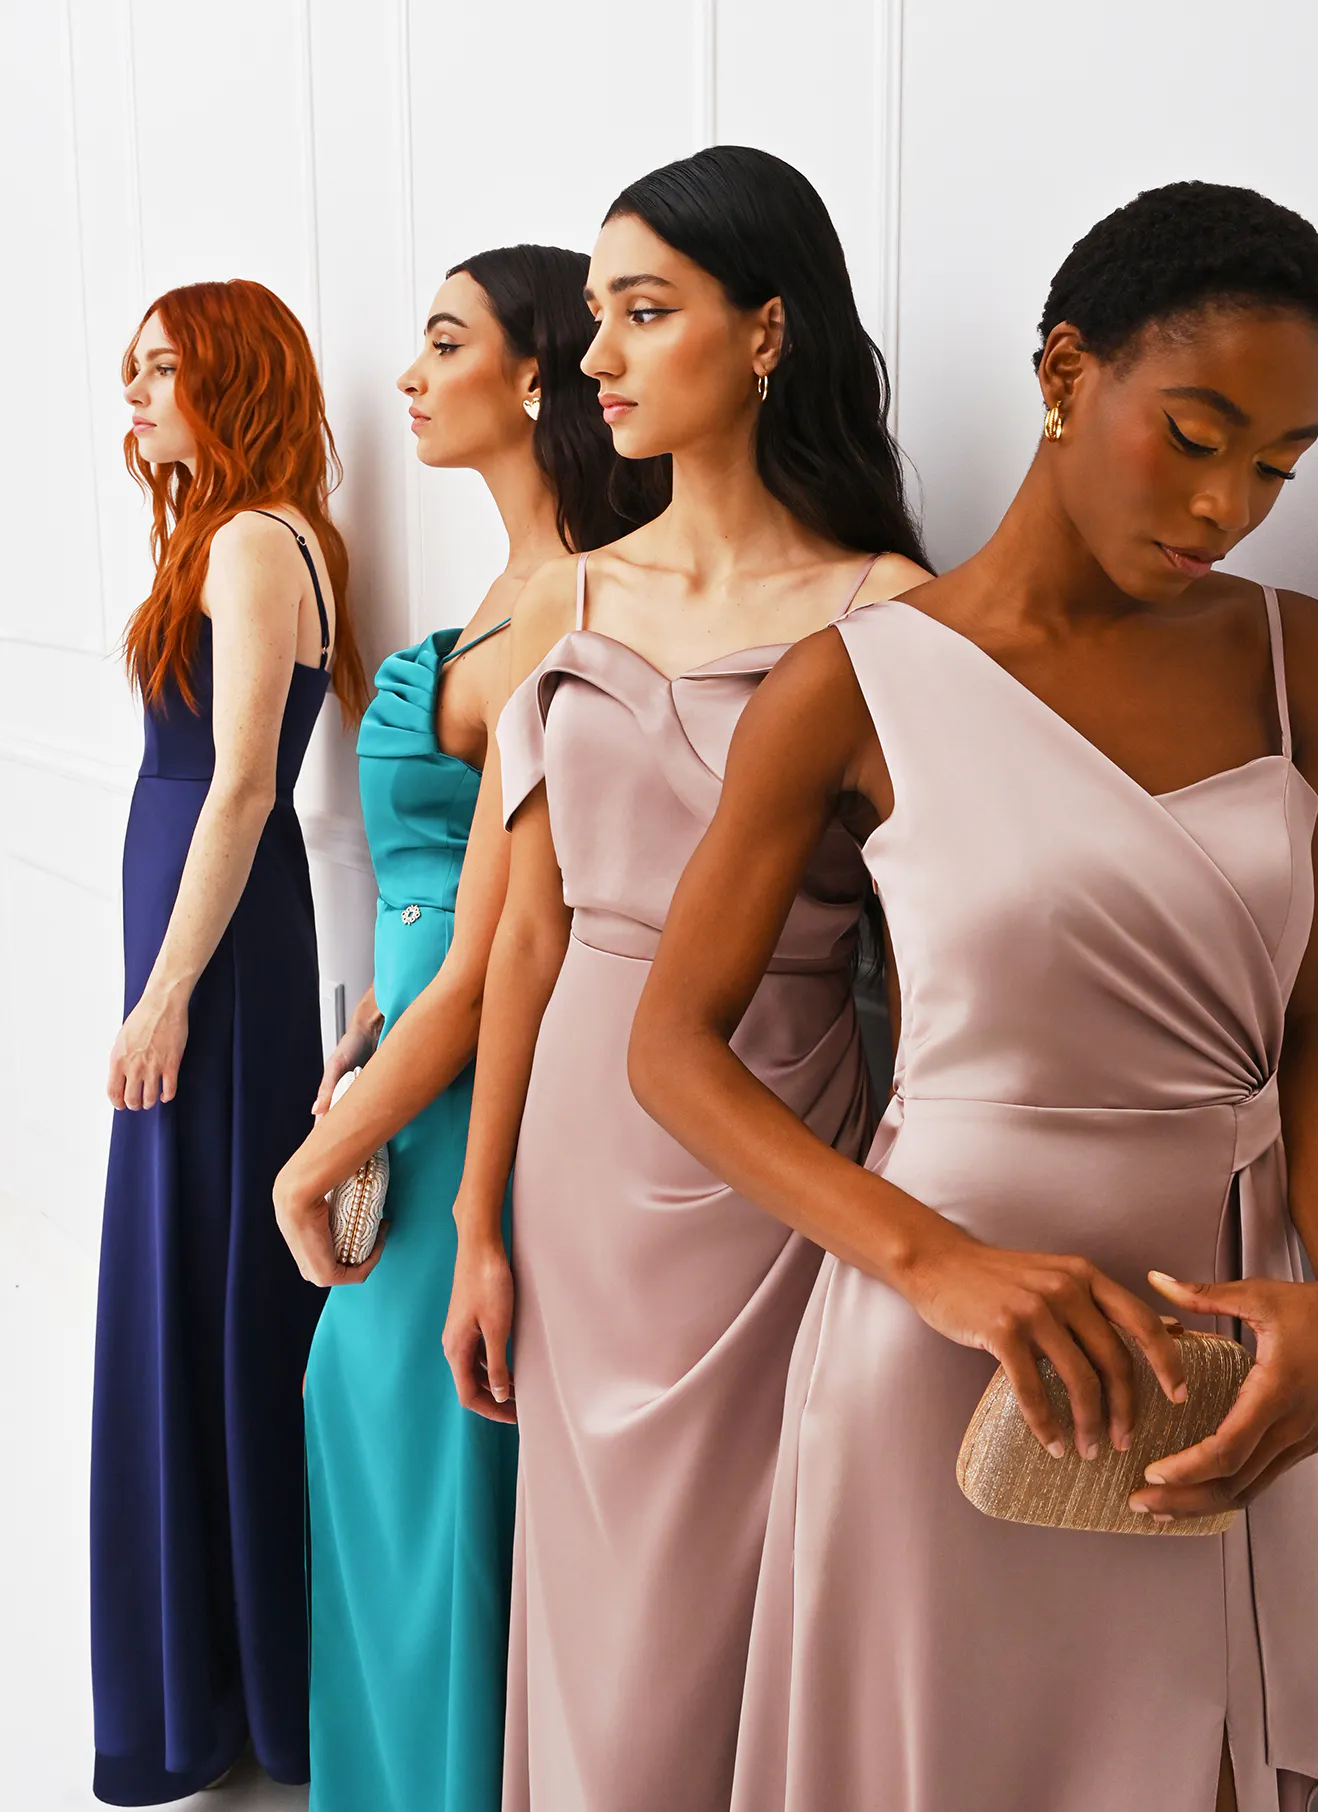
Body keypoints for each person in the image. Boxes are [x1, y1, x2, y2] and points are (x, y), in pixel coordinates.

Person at [630, 179, 1318, 1812]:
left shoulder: (1307, 663)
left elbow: (1297, 1041)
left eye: (1280, 465)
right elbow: (670, 1051)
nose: (1232, 503)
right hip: (938, 1349)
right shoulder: (853, 682)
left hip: (1222, 1367)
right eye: (1196, 433)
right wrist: (938, 1267)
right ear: (1063, 371)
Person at [443, 146, 929, 1812]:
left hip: (784, 1165)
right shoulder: (563, 601)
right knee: (594, 1627)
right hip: (581, 1167)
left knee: (765, 1617)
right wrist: (475, 1223)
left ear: (769, 329)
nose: (597, 361)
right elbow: (525, 933)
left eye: (644, 314)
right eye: (595, 318)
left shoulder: (891, 616)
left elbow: (940, 957)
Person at [272, 244, 665, 1812]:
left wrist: (320, 1155)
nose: (407, 377)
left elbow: (508, 946)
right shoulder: (506, 593)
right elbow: (424, 898)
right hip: (402, 1068)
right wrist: (360, 1032)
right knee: (377, 1449)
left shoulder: (583, 604)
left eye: (445, 344)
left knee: (437, 1474)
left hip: (474, 1101)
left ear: (535, 379)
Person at [93, 279, 365, 1803]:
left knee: (209, 1290)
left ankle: (235, 1694)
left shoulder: (261, 543)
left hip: (222, 965)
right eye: (128, 370)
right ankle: (224, 1680)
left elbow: (247, 786)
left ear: (232, 379)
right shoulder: (233, 533)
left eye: (161, 370)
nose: (133, 397)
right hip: (200, 948)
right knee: (189, 1287)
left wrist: (167, 994)